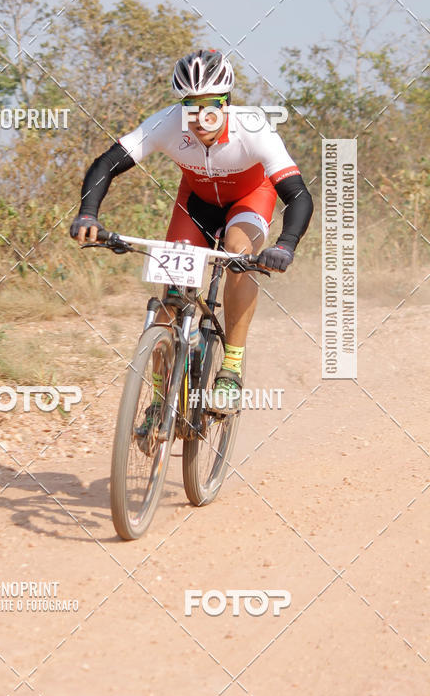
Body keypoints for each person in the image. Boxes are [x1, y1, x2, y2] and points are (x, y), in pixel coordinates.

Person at [70, 49, 313, 434]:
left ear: (226, 103)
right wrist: (88, 214)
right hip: (195, 205)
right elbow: (106, 164)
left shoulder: (254, 130)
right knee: (170, 300)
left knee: (237, 253)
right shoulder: (168, 124)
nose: (199, 118)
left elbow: (298, 195)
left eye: (209, 106)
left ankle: (230, 368)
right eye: (190, 106)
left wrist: (285, 244)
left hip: (249, 201)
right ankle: (158, 399)